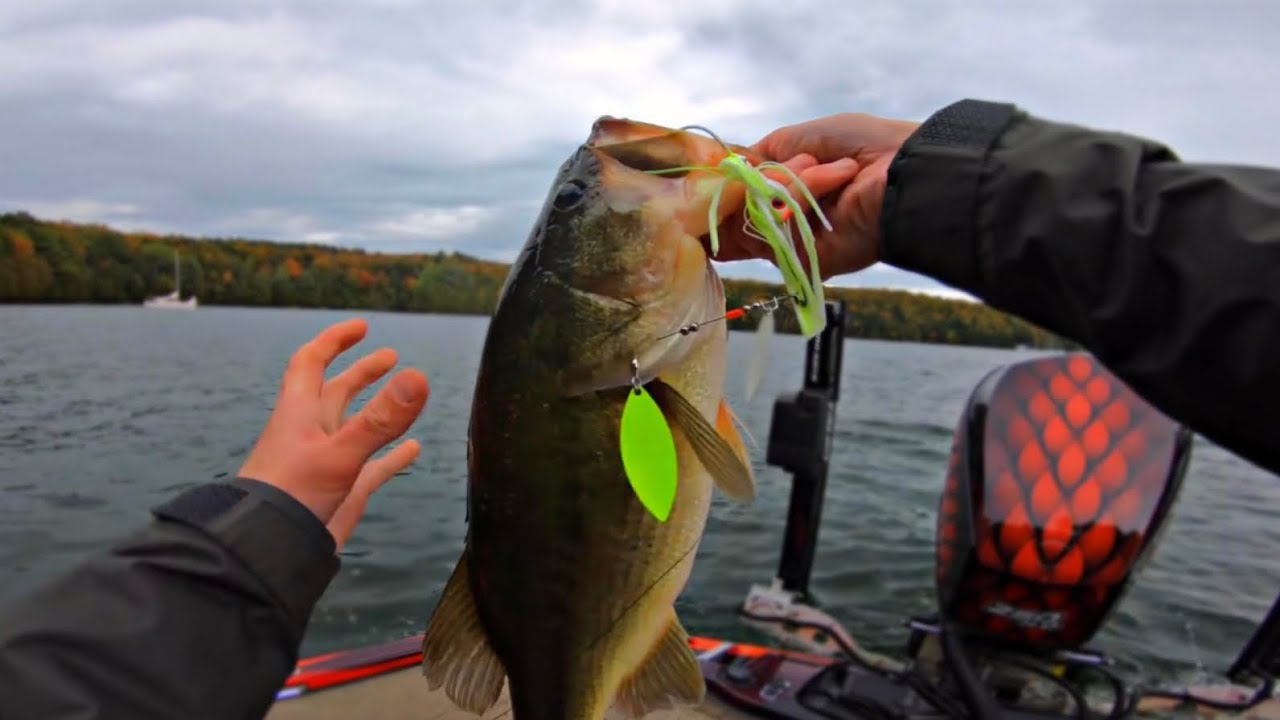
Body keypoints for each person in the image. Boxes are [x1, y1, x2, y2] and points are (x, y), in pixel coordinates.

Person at [0, 97, 1276, 719]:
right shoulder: (640, 344)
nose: (607, 183)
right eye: (584, 213)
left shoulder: (651, 342)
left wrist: (939, 192)